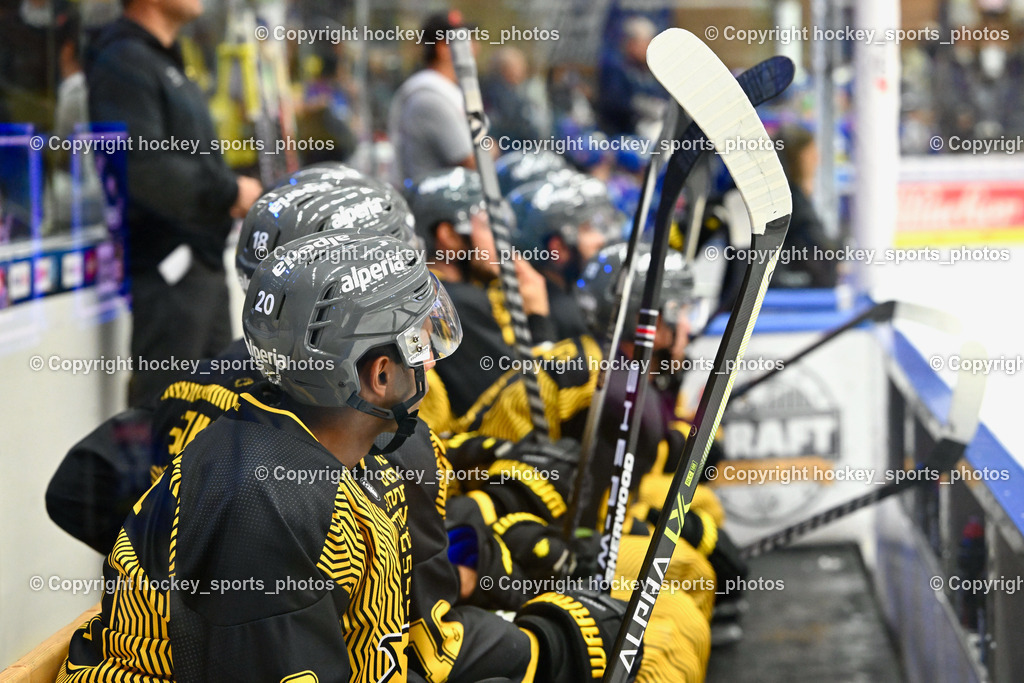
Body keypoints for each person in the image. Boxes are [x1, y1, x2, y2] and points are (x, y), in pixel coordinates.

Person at [57, 232, 462, 681]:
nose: (432, 363)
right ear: (380, 376)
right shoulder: (269, 500)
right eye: (421, 347)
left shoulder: (324, 455)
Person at [85, 0, 263, 405]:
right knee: (165, 422)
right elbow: (142, 169)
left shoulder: (163, 61)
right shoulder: (124, 60)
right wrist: (229, 191)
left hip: (201, 269)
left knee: (217, 419)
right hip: (169, 277)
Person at [387, 10, 477, 185]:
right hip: (430, 207)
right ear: (443, 48)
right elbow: (473, 161)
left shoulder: (447, 91)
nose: (475, 48)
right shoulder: (430, 97)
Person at [772, 124, 839, 288]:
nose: (817, 159)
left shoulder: (795, 197)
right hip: (790, 281)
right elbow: (818, 249)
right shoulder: (793, 201)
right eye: (811, 153)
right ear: (797, 158)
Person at [595, 16, 668, 138]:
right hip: (619, 132)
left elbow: (661, 96)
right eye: (644, 44)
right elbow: (615, 103)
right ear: (630, 43)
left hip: (648, 125)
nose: (648, 48)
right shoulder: (614, 67)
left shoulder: (649, 68)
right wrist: (644, 106)